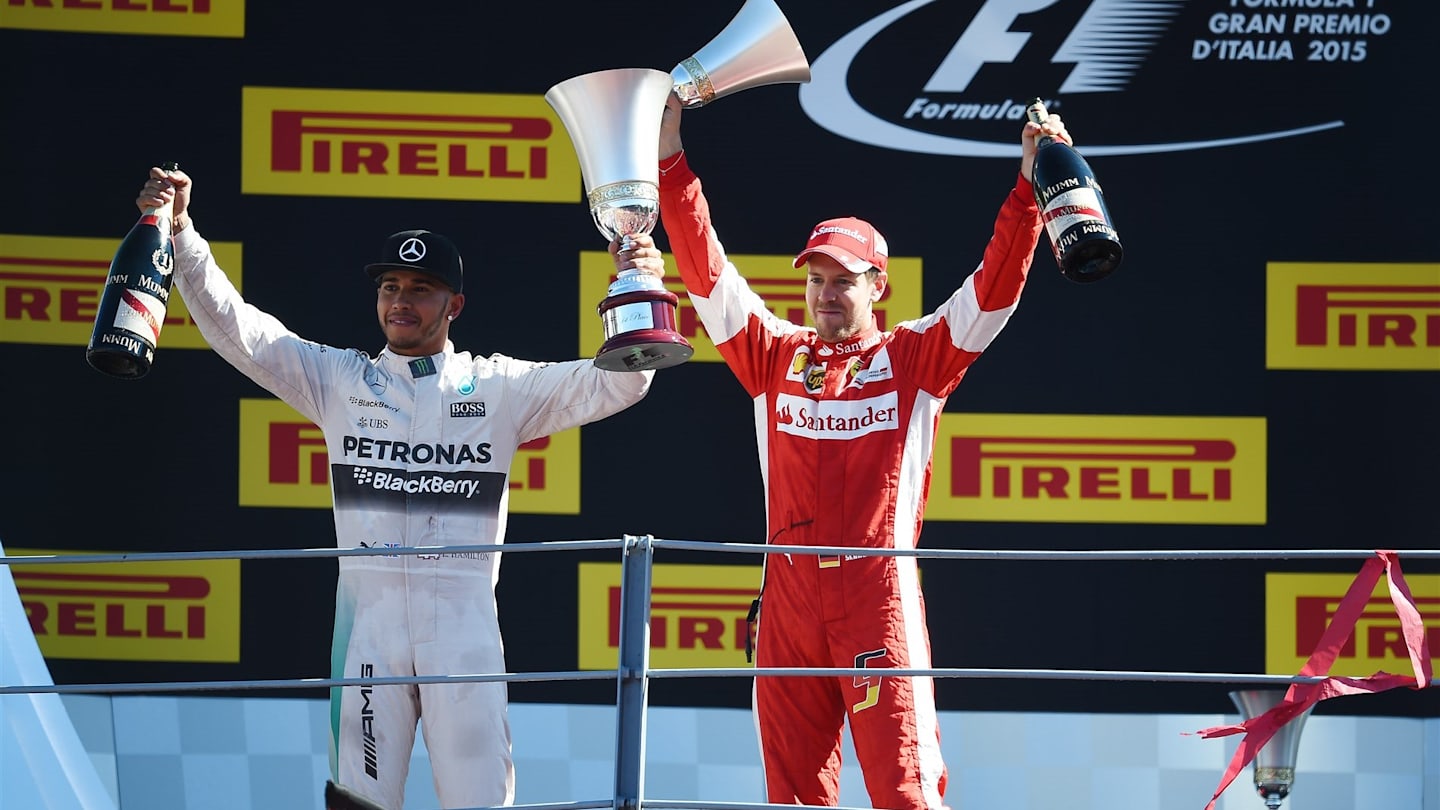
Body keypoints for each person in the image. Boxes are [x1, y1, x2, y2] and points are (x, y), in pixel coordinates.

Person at [137, 167, 658, 810]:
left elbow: (622, 382)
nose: (401, 301)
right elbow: (239, 331)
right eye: (390, 286)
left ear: (454, 305)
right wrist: (183, 233)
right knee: (358, 804)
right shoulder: (339, 380)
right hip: (367, 632)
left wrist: (640, 282)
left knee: (480, 805)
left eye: (420, 288)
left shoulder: (499, 387)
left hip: (464, 633)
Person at [612, 94, 1070, 810]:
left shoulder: (917, 357)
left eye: (844, 281)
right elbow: (705, 272)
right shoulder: (772, 353)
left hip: (875, 596)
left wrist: (1028, 192)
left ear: (877, 286)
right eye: (816, 279)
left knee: (905, 791)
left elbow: (993, 291)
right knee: (791, 794)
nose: (826, 295)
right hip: (787, 599)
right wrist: (670, 158)